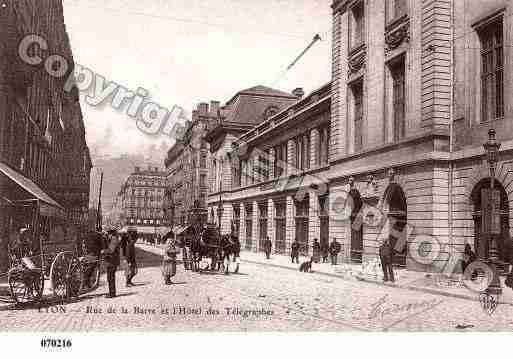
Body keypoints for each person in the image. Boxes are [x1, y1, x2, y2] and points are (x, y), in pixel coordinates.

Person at [102, 229, 121, 298]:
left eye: (108, 234)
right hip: (111, 261)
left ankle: (112, 293)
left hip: (112, 262)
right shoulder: (113, 239)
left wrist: (103, 251)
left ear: (111, 234)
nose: (108, 235)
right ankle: (111, 292)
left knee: (111, 278)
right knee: (110, 277)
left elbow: (111, 250)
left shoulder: (114, 239)